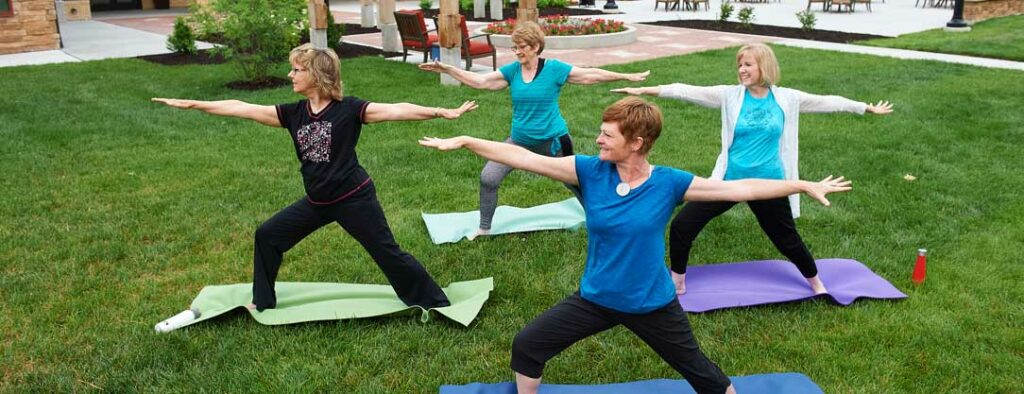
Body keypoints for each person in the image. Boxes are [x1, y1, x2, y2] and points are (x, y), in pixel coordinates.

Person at [419, 96, 852, 394]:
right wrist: (465, 141)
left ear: (637, 142)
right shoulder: (589, 170)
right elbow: (527, 159)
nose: (599, 139)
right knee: (528, 345)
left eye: (608, 134)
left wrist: (801, 184)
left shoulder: (668, 183)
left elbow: (741, 188)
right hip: (597, 298)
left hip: (652, 303)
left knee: (704, 375)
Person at [153, 44, 478, 311]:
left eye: (297, 69)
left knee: (387, 252)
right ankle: (262, 301)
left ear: (317, 75)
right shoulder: (293, 113)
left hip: (354, 198)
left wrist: (439, 111)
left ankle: (436, 301)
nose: (290, 74)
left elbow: (395, 109)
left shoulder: (349, 110)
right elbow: (242, 106)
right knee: (268, 236)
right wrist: (194, 104)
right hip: (318, 201)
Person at [612, 43, 892, 295]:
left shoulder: (787, 99)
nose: (742, 70)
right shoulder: (730, 96)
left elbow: (827, 101)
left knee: (786, 239)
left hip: (768, 183)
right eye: (740, 65)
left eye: (748, 65)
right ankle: (678, 280)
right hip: (728, 182)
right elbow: (687, 91)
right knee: (683, 225)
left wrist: (865, 107)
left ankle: (816, 284)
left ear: (764, 67)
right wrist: (646, 90)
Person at [418, 21, 650, 239]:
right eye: (514, 47)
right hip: (518, 141)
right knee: (488, 177)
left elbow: (590, 75)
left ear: (536, 47)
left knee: (578, 183)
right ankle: (484, 228)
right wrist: (448, 68)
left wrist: (625, 76)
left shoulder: (554, 69)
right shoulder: (512, 71)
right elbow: (481, 81)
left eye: (521, 47)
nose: (517, 52)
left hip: (554, 142)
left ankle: (601, 221)